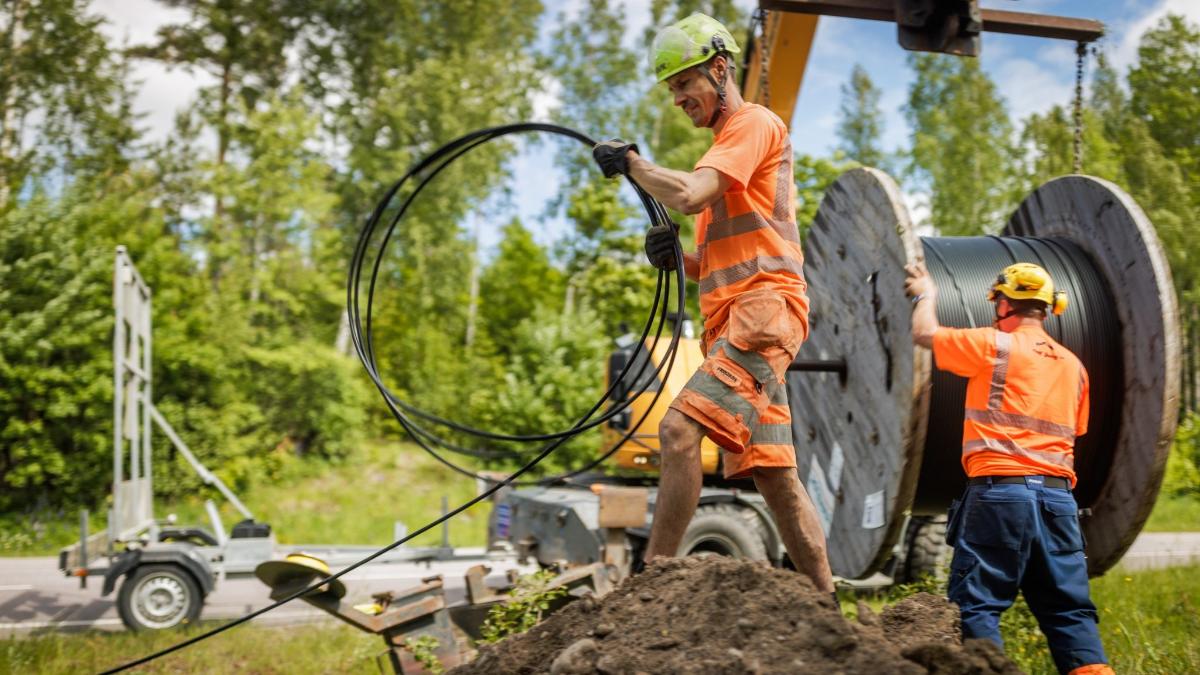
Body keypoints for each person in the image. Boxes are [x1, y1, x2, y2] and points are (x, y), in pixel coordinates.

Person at [592, 13, 834, 597]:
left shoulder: (752, 124)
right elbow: (717, 257)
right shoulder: (728, 153)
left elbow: (689, 192)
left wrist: (632, 164)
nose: (678, 98)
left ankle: (650, 585)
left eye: (684, 83)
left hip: (762, 313)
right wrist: (678, 258)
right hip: (743, 319)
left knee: (676, 432)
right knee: (776, 477)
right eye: (672, 88)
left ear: (721, 69)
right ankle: (828, 603)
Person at [905, 260, 1114, 675]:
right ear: (1051, 307)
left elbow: (923, 333)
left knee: (977, 606)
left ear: (1003, 304)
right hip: (1057, 501)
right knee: (1069, 613)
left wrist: (925, 292)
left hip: (1000, 495)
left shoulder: (993, 346)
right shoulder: (1074, 366)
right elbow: (1078, 429)